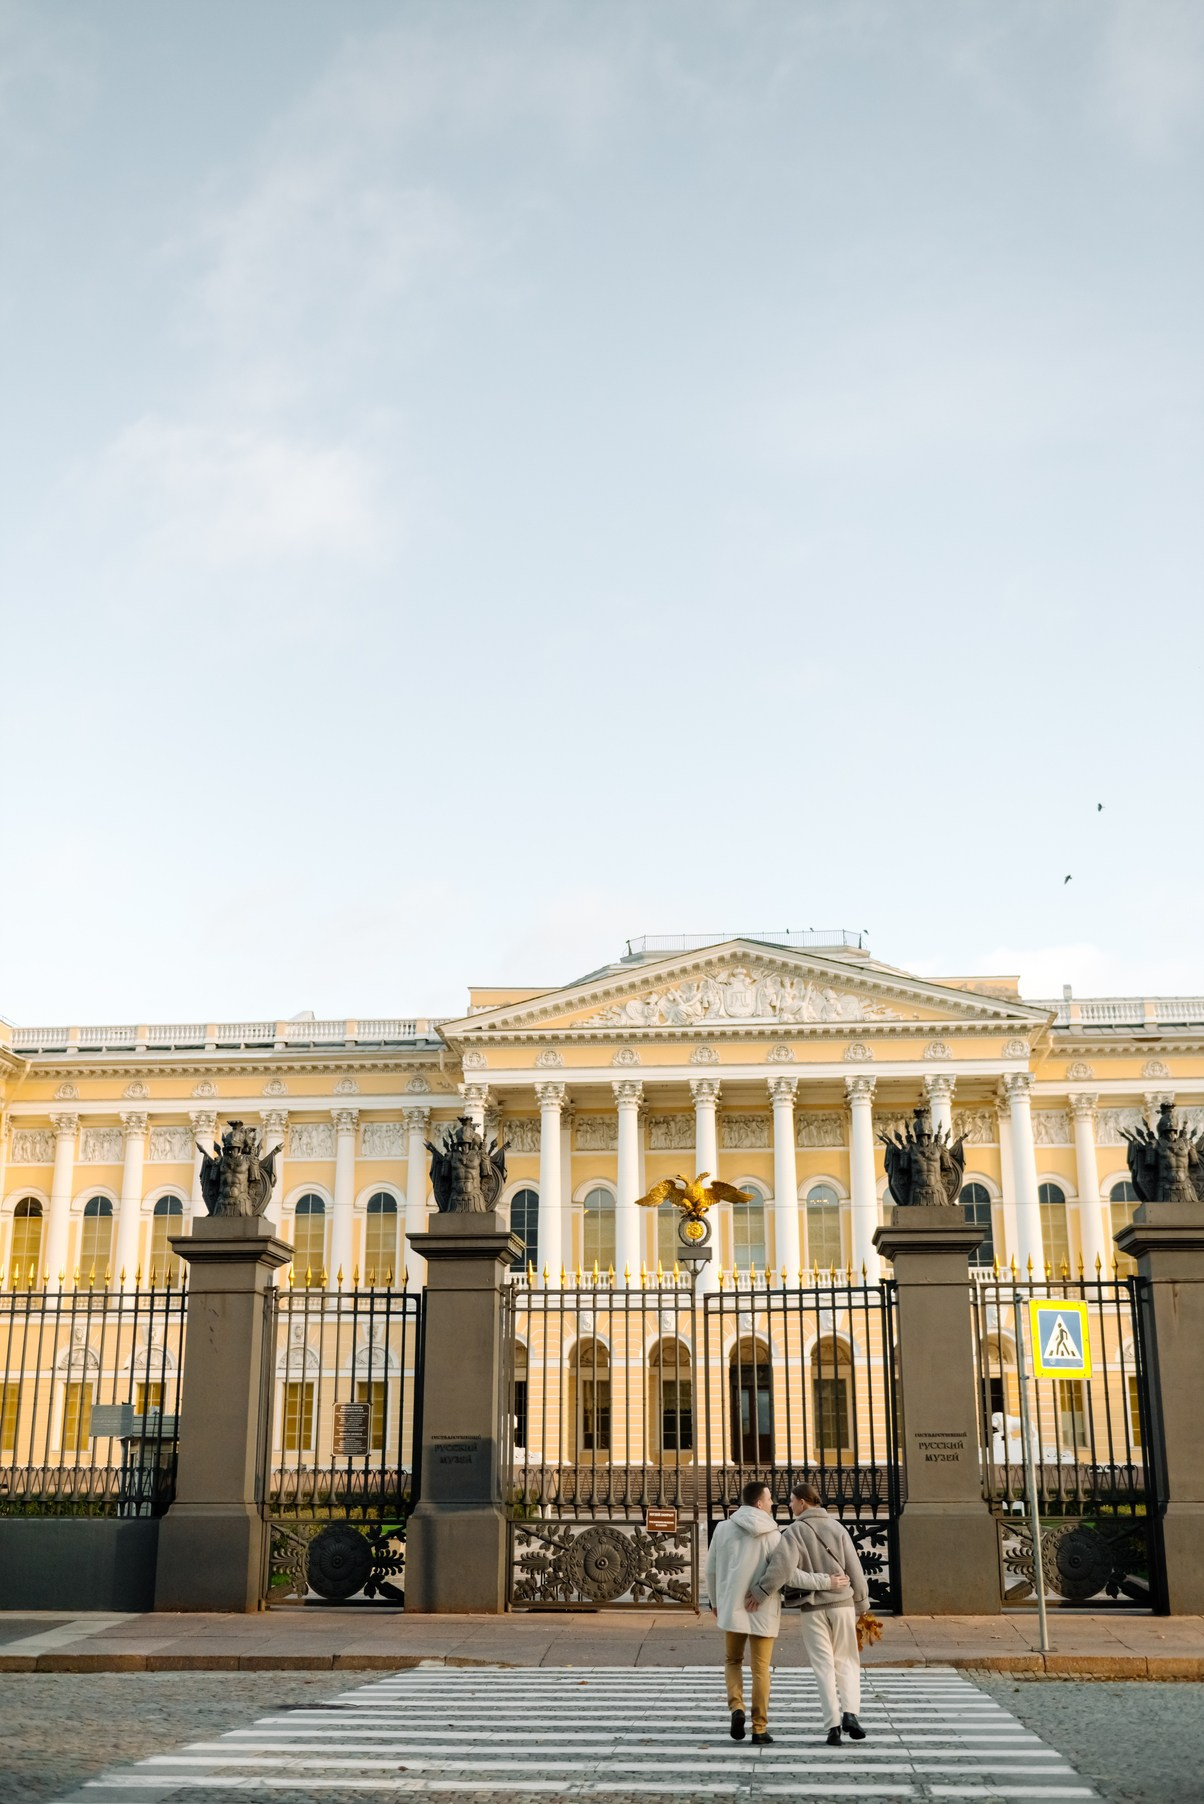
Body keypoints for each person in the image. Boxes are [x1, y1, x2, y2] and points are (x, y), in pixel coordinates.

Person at [705, 1480, 800, 1746]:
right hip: (762, 1607)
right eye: (769, 1499)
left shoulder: (723, 1529)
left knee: (732, 1661)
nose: (772, 1503)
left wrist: (715, 1601)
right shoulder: (773, 1535)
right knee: (761, 1669)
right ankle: (759, 1728)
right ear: (759, 1504)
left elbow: (710, 1570)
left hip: (731, 1606)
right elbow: (782, 1573)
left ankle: (737, 1707)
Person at [779, 1480, 869, 1745]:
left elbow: (787, 1571)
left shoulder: (793, 1532)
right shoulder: (837, 1527)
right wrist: (862, 1603)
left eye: (792, 1501)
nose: (790, 1505)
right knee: (847, 1660)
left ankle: (833, 1727)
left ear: (802, 1502)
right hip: (842, 1604)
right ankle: (851, 1713)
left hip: (812, 1606)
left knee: (823, 1666)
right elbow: (855, 1568)